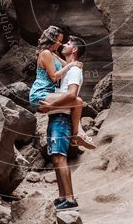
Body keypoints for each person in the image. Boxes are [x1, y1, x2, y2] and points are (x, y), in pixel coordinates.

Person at [37, 35, 95, 210]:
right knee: (56, 158)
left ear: (75, 50)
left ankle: (70, 199)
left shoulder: (75, 71)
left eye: (68, 44)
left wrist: (51, 106)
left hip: (61, 117)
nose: (64, 44)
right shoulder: (68, 68)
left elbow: (72, 95)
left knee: (60, 158)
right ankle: (62, 196)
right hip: (56, 116)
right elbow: (53, 57)